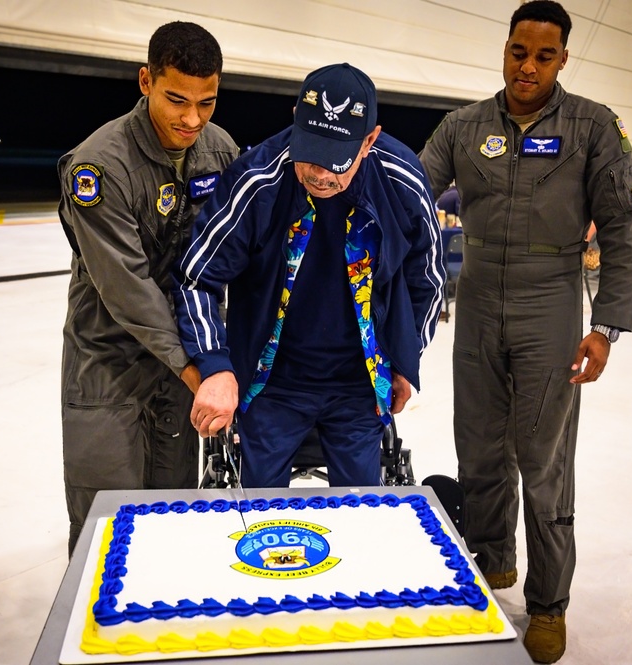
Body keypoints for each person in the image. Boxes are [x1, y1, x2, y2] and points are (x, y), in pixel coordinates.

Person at [417, 2, 632, 662]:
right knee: (479, 445)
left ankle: (548, 603)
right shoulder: (462, 126)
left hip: (551, 302)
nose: (528, 66)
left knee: (542, 458)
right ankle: (492, 560)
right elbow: (410, 188)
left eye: (544, 56)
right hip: (479, 298)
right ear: (505, 48)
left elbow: (623, 229)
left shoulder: (592, 126)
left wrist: (605, 327)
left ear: (562, 59)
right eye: (519, 51)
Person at [174, 63, 444, 490]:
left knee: (360, 507)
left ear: (369, 141)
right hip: (272, 382)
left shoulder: (402, 181)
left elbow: (426, 280)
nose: (320, 174)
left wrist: (405, 360)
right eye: (311, 154)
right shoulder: (256, 179)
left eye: (336, 162)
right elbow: (196, 279)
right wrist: (215, 367)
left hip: (359, 381)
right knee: (260, 513)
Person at [56, 21, 239, 556]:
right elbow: (127, 288)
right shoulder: (99, 167)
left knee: (174, 516)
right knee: (105, 527)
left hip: (179, 371)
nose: (192, 119)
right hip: (109, 364)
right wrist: (201, 370)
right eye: (177, 100)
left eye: (207, 102)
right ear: (145, 81)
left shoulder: (220, 151)